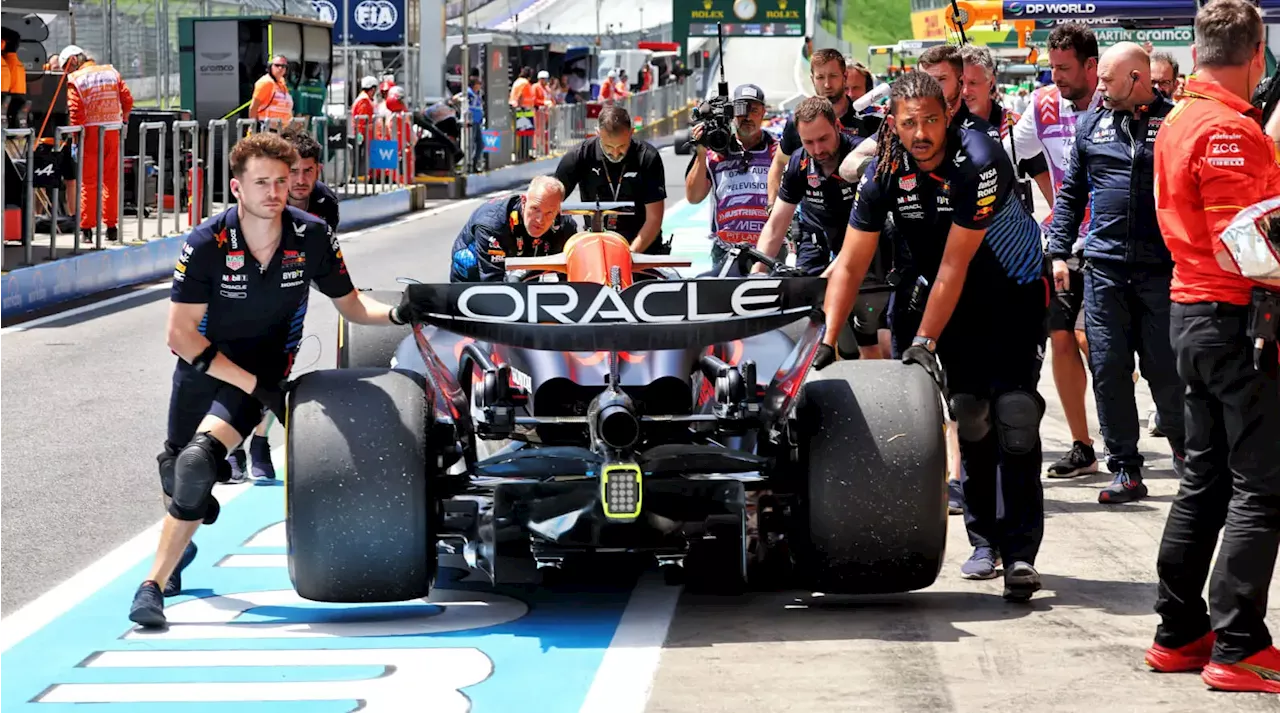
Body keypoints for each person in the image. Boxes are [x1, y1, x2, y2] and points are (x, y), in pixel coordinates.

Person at [127, 133, 407, 628]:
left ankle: (151, 586)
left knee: (197, 463)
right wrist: (247, 383)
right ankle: (183, 529)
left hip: (266, 366)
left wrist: (406, 312)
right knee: (178, 473)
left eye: (282, 180)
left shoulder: (313, 235)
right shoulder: (207, 243)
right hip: (204, 365)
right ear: (237, 188)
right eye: (262, 182)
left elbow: (354, 306)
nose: (275, 191)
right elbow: (181, 336)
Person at [818, 71, 1048, 597]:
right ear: (893, 126)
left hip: (1012, 291)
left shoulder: (981, 159)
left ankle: (1020, 554)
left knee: (1015, 414)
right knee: (970, 414)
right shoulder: (884, 171)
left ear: (948, 116)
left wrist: (922, 341)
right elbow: (850, 265)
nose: (921, 133)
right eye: (909, 123)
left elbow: (953, 263)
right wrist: (827, 342)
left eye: (930, 121)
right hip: (954, 301)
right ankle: (984, 542)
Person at [1145, 0, 1280, 690]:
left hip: (1190, 313)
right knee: (1261, 485)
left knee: (1207, 478)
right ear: (1256, 53)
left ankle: (1179, 629)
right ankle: (1239, 643)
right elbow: (1249, 244)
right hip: (1235, 319)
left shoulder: (1179, 118)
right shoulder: (1228, 128)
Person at [1046, 42, 1185, 505]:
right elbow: (1069, 197)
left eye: (1108, 79)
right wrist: (1058, 253)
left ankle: (1189, 457)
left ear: (1137, 78)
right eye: (1099, 78)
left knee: (1167, 370)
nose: (1099, 87)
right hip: (1103, 268)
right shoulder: (1090, 125)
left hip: (1163, 269)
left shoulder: (1177, 121)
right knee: (1107, 368)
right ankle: (1125, 469)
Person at [1006, 22, 1104, 480]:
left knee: (1098, 344)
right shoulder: (1042, 103)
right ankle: (1083, 446)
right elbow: (1014, 154)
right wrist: (1051, 198)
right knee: (1062, 336)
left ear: (1091, 66)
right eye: (1052, 68)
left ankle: (1120, 427)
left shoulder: (1116, 98)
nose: (1057, 77)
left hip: (1113, 240)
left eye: (1064, 69)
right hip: (1063, 241)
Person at [750, 96, 886, 358]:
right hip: (819, 241)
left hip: (870, 247)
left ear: (837, 126)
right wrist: (757, 273)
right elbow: (776, 225)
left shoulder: (861, 158)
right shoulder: (799, 163)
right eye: (808, 142)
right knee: (811, 317)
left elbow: (864, 235)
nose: (818, 149)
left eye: (823, 139)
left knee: (869, 337)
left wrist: (824, 282)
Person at [767, 49, 876, 214]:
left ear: (844, 77)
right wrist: (772, 207)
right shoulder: (799, 121)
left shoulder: (870, 120)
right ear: (812, 80)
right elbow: (779, 163)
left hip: (861, 217)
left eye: (833, 76)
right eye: (820, 77)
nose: (827, 85)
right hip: (814, 224)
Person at [685, 84, 778, 273]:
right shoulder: (715, 151)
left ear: (763, 113)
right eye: (742, 109)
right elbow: (693, 197)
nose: (748, 117)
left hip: (769, 249)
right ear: (732, 113)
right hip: (726, 251)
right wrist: (701, 153)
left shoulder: (777, 150)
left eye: (754, 110)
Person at [554, 104, 668, 253]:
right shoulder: (580, 155)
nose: (615, 153)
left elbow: (654, 219)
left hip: (641, 245)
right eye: (608, 146)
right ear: (597, 133)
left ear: (631, 132)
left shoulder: (647, 157)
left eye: (622, 146)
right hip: (596, 244)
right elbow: (552, 200)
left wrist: (631, 255)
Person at [60, 45, 133, 244]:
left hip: (89, 135)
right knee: (111, 181)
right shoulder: (111, 72)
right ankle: (111, 227)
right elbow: (127, 100)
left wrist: (75, 140)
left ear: (74, 60)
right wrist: (123, 121)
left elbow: (76, 114)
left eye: (67, 67)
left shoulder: (75, 80)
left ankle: (87, 229)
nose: (68, 72)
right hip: (112, 132)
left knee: (88, 183)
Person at [449, 176, 576, 282]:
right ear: (524, 201)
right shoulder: (491, 224)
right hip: (477, 266)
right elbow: (492, 281)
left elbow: (573, 279)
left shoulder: (565, 226)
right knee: (467, 262)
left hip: (527, 259)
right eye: (535, 209)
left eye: (549, 213)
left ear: (558, 210)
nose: (540, 220)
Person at [249, 55, 293, 124]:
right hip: (266, 130)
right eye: (277, 65)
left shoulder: (282, 82)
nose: (280, 68)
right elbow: (253, 107)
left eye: (283, 66)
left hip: (281, 130)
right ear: (270, 67)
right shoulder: (266, 82)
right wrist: (253, 127)